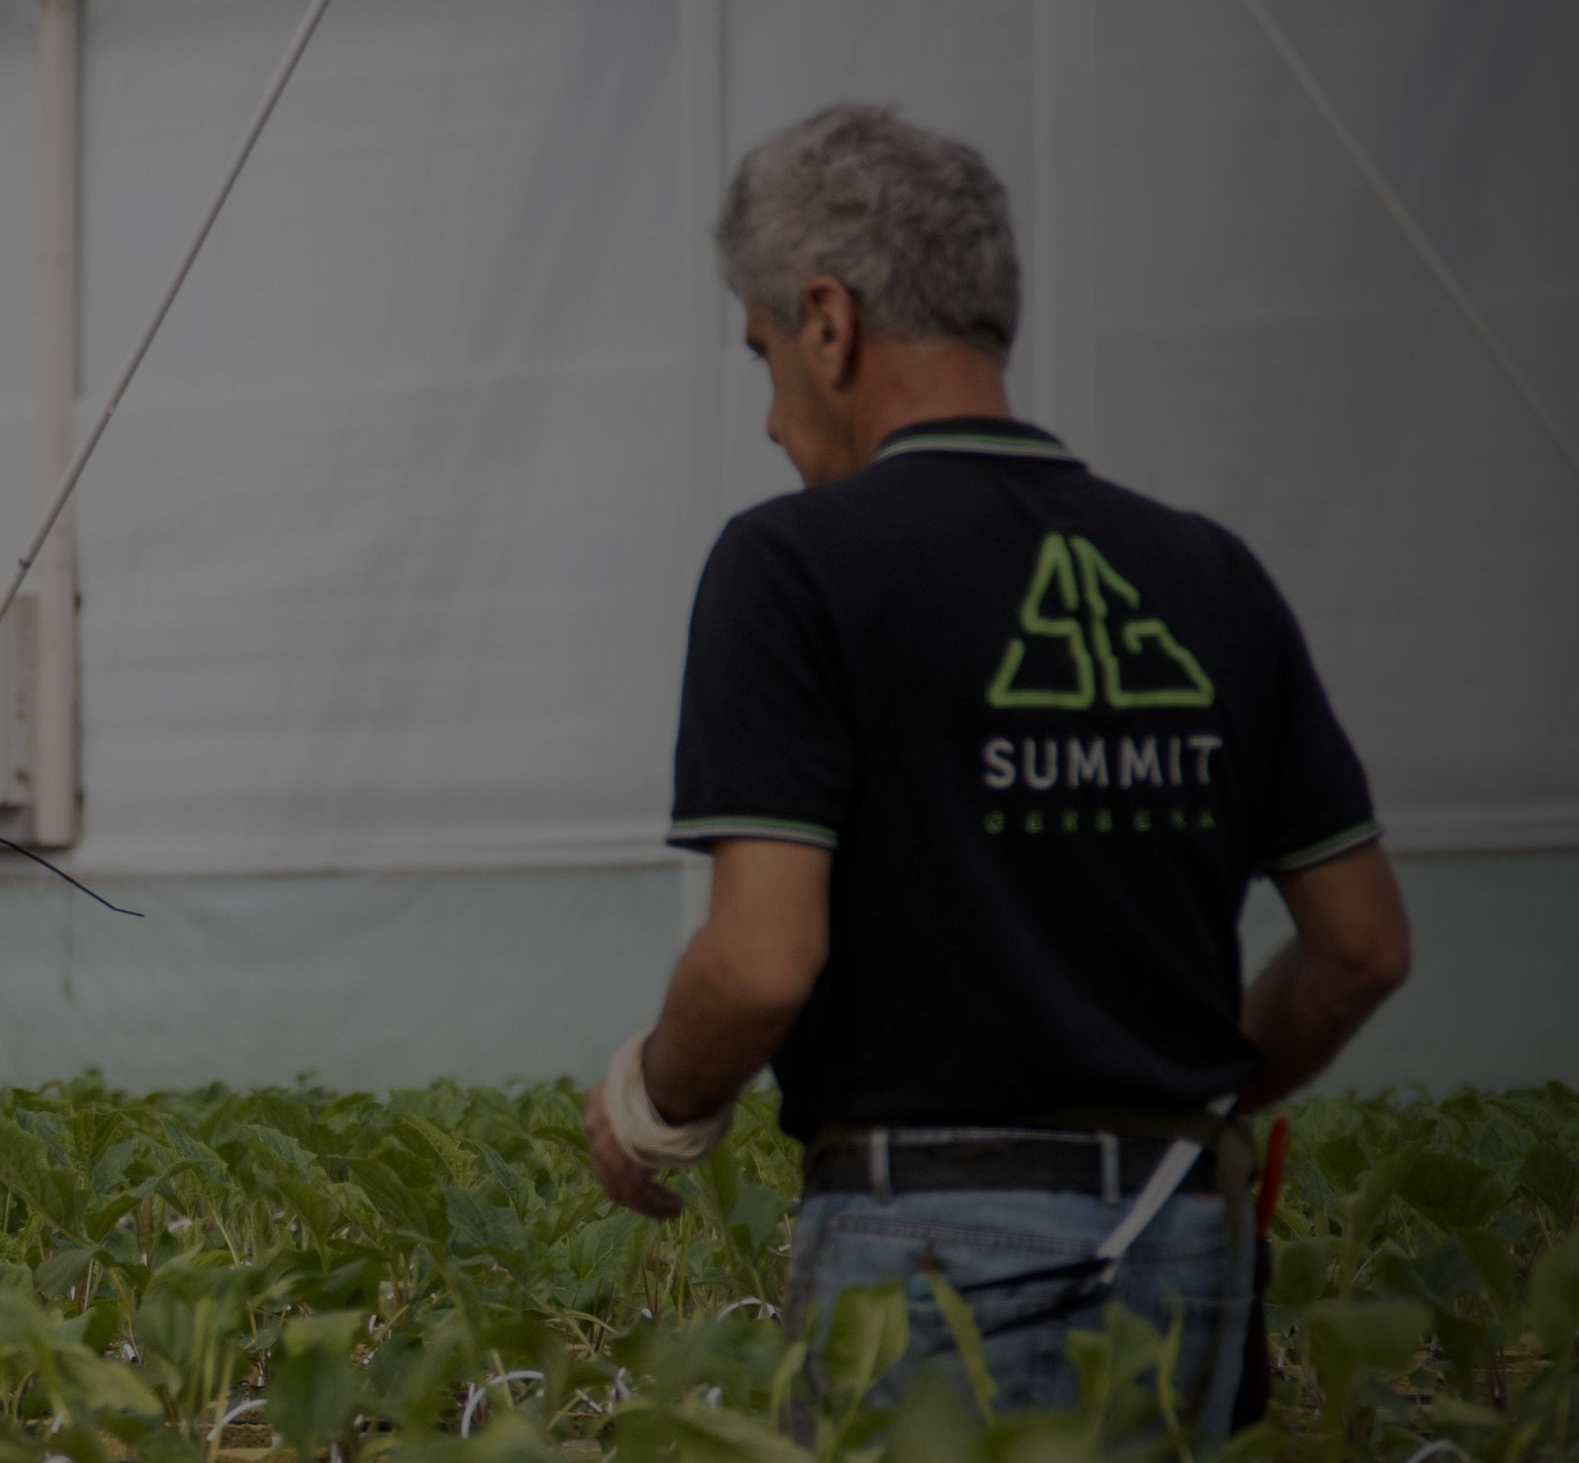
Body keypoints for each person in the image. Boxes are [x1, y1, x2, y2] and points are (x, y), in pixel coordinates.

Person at [579, 105, 1415, 1444]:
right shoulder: (1209, 575)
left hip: (931, 1247)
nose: (771, 423)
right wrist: (1159, 1094)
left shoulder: (793, 568)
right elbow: (1362, 947)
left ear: (828, 324)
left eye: (762, 355)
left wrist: (650, 1108)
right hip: (1182, 1236)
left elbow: (758, 964)